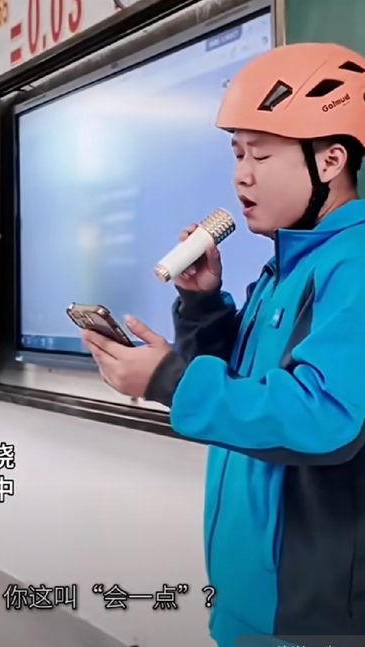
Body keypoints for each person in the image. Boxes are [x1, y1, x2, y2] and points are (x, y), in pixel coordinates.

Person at [83, 42, 365, 646]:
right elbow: (241, 386)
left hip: (312, 619)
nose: (242, 174)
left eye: (260, 154)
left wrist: (167, 380)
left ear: (331, 160)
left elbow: (325, 418)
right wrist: (204, 303)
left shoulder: (355, 262)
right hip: (250, 598)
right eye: (237, 153)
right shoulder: (286, 264)